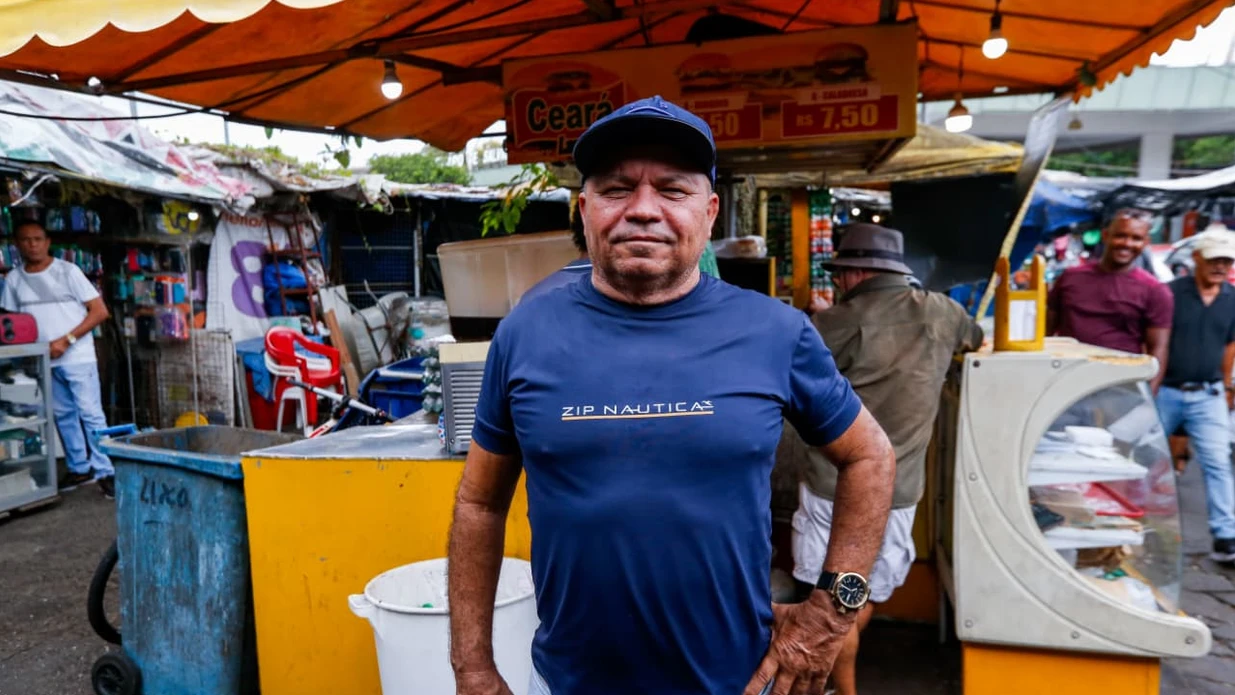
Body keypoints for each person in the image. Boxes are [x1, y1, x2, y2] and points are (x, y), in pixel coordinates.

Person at [447, 95, 896, 695]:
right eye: (616, 189)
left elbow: (870, 455)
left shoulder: (774, 331)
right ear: (584, 209)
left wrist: (833, 612)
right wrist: (472, 666)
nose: (642, 210)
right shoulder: (525, 332)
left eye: (672, 190)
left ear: (709, 213)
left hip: (736, 681)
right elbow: (479, 504)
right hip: (566, 682)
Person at [785, 223, 984, 695]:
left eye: (840, 274)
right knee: (858, 593)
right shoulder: (945, 312)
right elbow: (974, 340)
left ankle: (840, 690)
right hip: (899, 490)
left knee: (831, 602)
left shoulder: (835, 323)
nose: (838, 283)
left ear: (856, 273)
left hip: (833, 487)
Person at [0, 221, 114, 499]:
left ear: (48, 242)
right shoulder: (14, 279)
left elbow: (99, 311)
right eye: (25, 240)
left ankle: (105, 470)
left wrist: (66, 340)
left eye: (38, 239)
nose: (32, 245)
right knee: (63, 415)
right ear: (16, 245)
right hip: (42, 359)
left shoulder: (68, 271)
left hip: (77, 356)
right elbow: (13, 321)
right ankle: (79, 468)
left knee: (91, 413)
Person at [1156, 229, 1235, 563]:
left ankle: (1226, 535)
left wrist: (1227, 386)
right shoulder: (1170, 293)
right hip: (1166, 391)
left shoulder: (1232, 298)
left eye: (1226, 261)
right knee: (1147, 457)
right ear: (1197, 258)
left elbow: (1230, 345)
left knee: (1218, 462)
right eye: (1214, 259)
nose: (1220, 266)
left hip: (1208, 394)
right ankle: (1140, 524)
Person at [1046, 209, 1173, 392]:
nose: (1127, 244)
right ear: (1105, 235)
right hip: (1066, 382)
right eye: (1120, 236)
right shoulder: (1070, 278)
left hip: (1120, 387)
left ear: (1146, 242)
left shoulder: (1155, 291)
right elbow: (1046, 333)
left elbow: (1158, 349)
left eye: (1136, 238)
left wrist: (1147, 397)